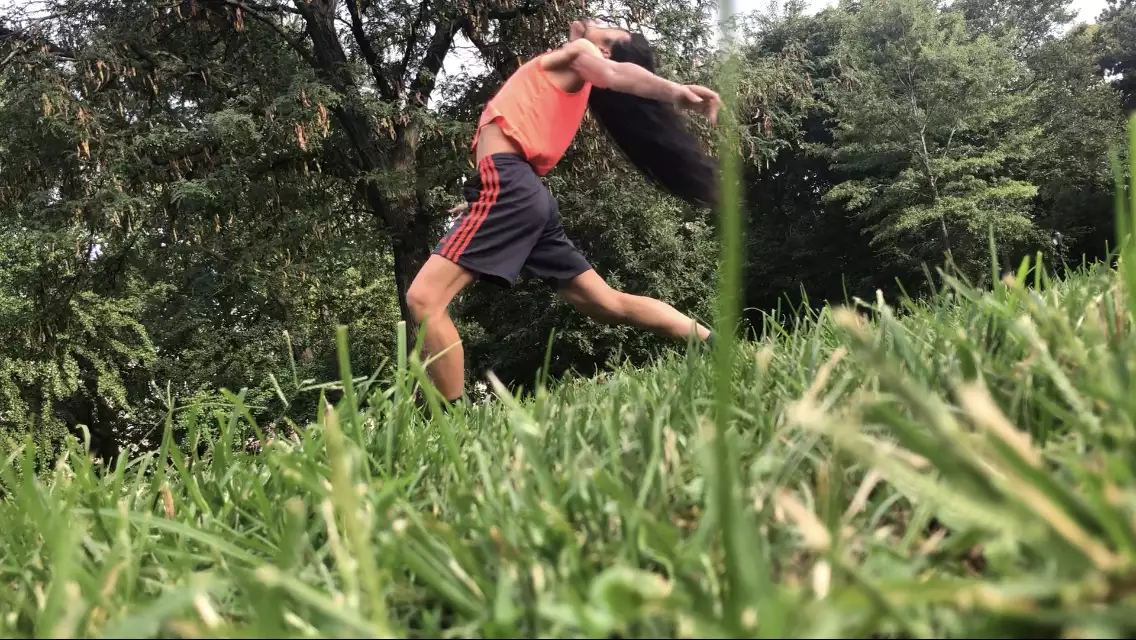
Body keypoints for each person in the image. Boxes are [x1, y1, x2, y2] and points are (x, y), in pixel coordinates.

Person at [406, 17, 722, 406]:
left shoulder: (583, 57)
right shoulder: (568, 73)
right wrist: (484, 195)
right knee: (605, 303)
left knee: (424, 300)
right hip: (517, 191)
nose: (595, 22)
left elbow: (613, 72)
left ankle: (449, 421)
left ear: (602, 49)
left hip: (511, 188)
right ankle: (713, 342)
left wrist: (673, 92)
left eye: (607, 31)